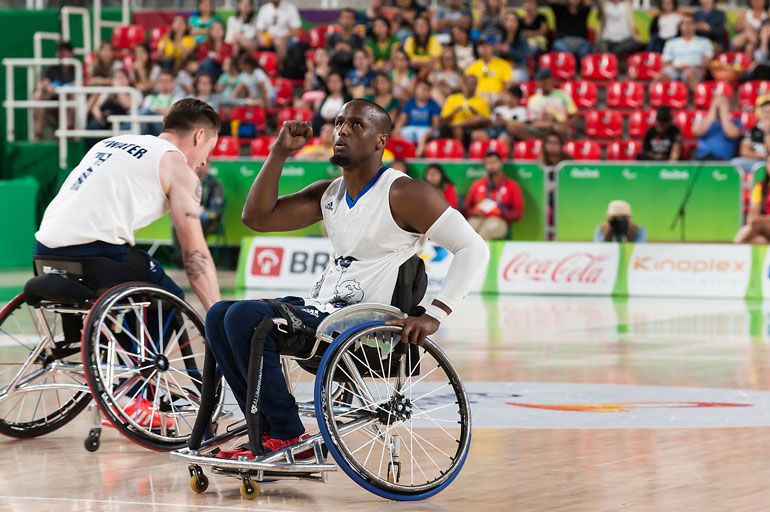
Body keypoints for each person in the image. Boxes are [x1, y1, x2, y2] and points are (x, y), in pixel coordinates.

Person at [205, 99, 489, 458]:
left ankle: (289, 434)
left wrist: (435, 314)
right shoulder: (330, 194)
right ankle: (266, 429)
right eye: (338, 123)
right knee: (219, 314)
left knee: (248, 319)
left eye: (356, 125)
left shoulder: (404, 192)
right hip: (325, 312)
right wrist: (279, 153)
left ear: (380, 141)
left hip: (365, 326)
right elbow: (257, 218)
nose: (342, 131)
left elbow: (474, 249)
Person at [35, 100, 223, 426]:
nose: (205, 160)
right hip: (93, 253)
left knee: (140, 274)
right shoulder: (178, 169)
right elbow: (194, 254)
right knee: (167, 297)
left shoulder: (112, 142)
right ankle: (135, 393)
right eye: (209, 148)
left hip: (44, 250)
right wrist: (218, 316)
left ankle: (125, 381)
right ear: (199, 136)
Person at [171, 161, 225, 263]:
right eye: (198, 165)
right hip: (189, 215)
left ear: (208, 167)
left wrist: (204, 213)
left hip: (207, 219)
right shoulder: (188, 181)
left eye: (203, 165)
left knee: (198, 224)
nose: (199, 167)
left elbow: (216, 206)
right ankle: (181, 257)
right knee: (176, 223)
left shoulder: (214, 184)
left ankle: (196, 256)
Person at [463, 151, 524, 240]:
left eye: (494, 162)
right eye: (488, 163)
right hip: (478, 218)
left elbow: (518, 213)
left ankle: (479, 254)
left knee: (486, 230)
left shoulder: (512, 186)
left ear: (501, 163)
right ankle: (465, 253)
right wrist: (475, 211)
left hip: (499, 221)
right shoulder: (477, 184)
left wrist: (501, 211)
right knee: (468, 229)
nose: (491, 166)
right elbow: (466, 208)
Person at [33, 41, 76, 140]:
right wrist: (46, 86)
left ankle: (67, 126)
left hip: (68, 100)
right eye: (60, 53)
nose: (62, 56)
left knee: (74, 94)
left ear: (71, 54)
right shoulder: (52, 69)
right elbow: (44, 83)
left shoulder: (76, 68)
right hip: (53, 98)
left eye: (65, 53)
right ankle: (38, 131)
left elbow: (77, 85)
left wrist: (63, 90)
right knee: (38, 95)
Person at [658, 14, 714, 91]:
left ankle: (698, 100)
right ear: (680, 27)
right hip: (675, 69)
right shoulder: (671, 42)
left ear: (695, 26)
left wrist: (694, 67)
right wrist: (677, 67)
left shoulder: (704, 41)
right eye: (684, 23)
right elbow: (665, 62)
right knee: (660, 76)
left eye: (690, 23)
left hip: (694, 68)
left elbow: (707, 60)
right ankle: (658, 100)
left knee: (690, 74)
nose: (687, 26)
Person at [520, 68, 576, 140]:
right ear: (538, 83)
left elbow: (574, 114)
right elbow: (533, 121)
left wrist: (566, 125)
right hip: (541, 130)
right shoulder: (533, 99)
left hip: (560, 128)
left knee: (562, 131)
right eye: (542, 81)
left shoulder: (562, 94)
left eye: (547, 81)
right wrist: (551, 125)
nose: (545, 84)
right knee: (517, 127)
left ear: (551, 80)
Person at [85, 68, 133, 150]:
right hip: (105, 121)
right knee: (93, 126)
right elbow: (95, 108)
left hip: (124, 122)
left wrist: (119, 89)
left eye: (121, 77)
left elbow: (127, 105)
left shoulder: (133, 92)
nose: (118, 80)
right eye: (116, 78)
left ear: (127, 80)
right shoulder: (107, 92)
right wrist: (100, 118)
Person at [394, 79, 441, 157]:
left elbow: (436, 124)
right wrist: (397, 130)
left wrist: (431, 131)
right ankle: (410, 151)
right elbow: (402, 119)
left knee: (422, 136)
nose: (421, 92)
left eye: (425, 90)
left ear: (429, 93)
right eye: (419, 89)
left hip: (426, 129)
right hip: (411, 128)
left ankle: (417, 156)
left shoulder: (433, 104)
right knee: (399, 134)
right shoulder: (410, 103)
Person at [440, 75, 491, 144]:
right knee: (457, 128)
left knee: (478, 118)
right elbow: (443, 119)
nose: (473, 86)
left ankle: (460, 124)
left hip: (473, 127)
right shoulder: (452, 98)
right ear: (464, 84)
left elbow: (486, 120)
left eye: (475, 84)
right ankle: (458, 149)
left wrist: (475, 112)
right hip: (452, 127)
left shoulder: (482, 102)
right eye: (471, 83)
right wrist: (454, 112)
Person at [465, 36, 515, 104]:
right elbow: (466, 85)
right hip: (477, 97)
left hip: (497, 96)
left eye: (486, 46)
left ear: (492, 47)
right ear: (477, 49)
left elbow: (508, 84)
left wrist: (502, 95)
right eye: (481, 46)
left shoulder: (504, 64)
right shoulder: (472, 66)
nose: (484, 49)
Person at [692, 95, 742, 160]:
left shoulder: (735, 122)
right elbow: (696, 131)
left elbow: (732, 134)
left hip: (724, 161)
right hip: (702, 159)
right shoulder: (704, 121)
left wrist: (723, 114)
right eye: (716, 103)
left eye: (723, 103)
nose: (719, 106)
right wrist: (712, 113)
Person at [735, 155, 770, 243]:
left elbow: (755, 220)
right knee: (759, 240)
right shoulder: (760, 187)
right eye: (769, 163)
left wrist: (760, 220)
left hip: (762, 225)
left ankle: (733, 249)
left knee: (752, 227)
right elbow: (752, 217)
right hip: (764, 228)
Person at [733, 94, 770, 174]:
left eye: (769, 112)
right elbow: (744, 151)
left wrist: (767, 133)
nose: (767, 115)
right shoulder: (752, 130)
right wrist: (760, 155)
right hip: (756, 161)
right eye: (765, 112)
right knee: (735, 163)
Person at [140, 70, 183, 135]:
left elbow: (172, 114)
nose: (164, 84)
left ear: (173, 83)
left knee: (148, 112)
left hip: (165, 128)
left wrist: (154, 109)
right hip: (148, 126)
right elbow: (142, 113)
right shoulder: (150, 98)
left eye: (166, 81)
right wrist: (160, 110)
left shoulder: (178, 98)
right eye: (161, 81)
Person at [327, 8, 364, 75]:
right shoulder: (332, 38)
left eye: (349, 18)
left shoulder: (358, 39)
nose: (345, 20)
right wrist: (335, 50)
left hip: (353, 72)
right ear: (339, 19)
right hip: (334, 71)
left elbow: (361, 59)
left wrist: (350, 51)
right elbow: (327, 56)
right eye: (343, 17)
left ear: (354, 21)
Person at [499, 12, 532, 81]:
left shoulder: (522, 37)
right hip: (503, 69)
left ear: (518, 24)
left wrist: (509, 50)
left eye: (514, 21)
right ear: (504, 23)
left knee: (511, 78)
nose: (511, 23)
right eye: (509, 20)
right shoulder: (500, 38)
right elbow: (496, 57)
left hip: (520, 69)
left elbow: (525, 55)